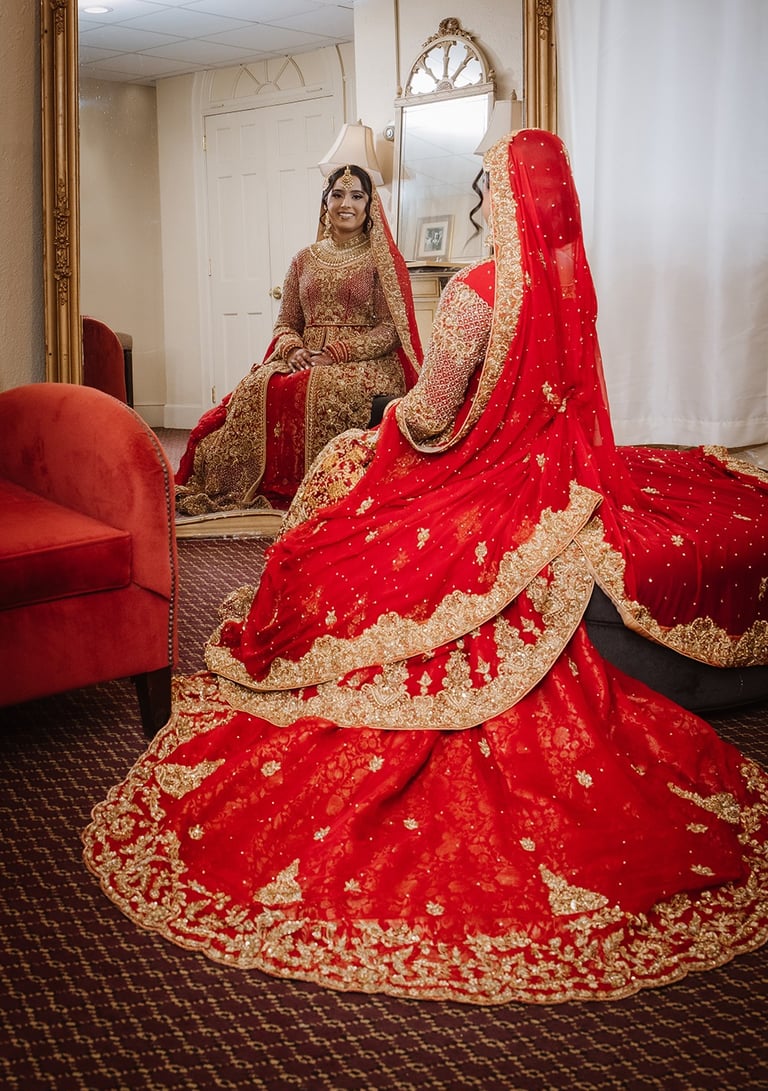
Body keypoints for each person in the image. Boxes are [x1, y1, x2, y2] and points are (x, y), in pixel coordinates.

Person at [83, 130, 768, 1006]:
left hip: (489, 479)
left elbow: (432, 412)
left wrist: (380, 436)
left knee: (334, 512)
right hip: (568, 476)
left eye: (490, 180)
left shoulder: (478, 293)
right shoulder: (571, 281)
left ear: (505, 200)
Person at [175, 164, 421, 516]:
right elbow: (286, 323)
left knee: (321, 388)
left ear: (370, 206)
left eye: (356, 196)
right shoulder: (303, 260)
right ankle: (253, 485)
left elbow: (392, 330)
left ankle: (319, 489)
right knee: (259, 386)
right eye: (337, 195)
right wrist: (292, 349)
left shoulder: (381, 261)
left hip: (364, 361)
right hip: (304, 355)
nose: (346, 204)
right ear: (325, 202)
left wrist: (337, 352)